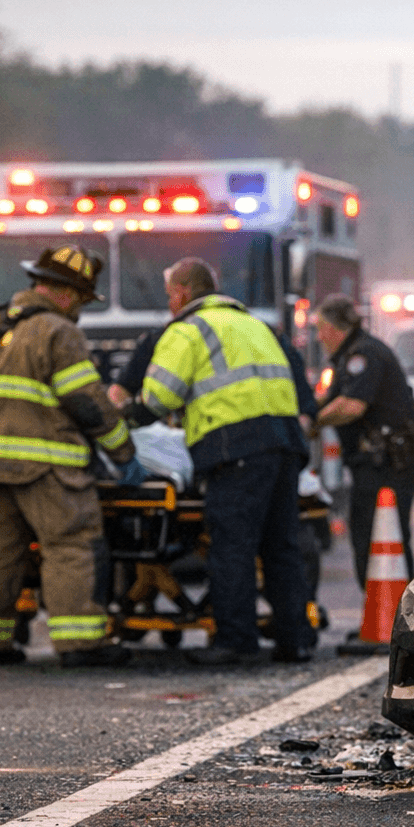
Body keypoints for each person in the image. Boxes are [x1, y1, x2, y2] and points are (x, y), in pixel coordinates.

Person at [0, 245, 144, 668]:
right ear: (69, 294)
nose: (81, 312)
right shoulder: (58, 332)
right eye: (84, 302)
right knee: (70, 544)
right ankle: (80, 643)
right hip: (46, 468)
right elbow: (87, 401)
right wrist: (123, 451)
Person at [137, 256, 315, 664]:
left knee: (232, 546)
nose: (169, 304)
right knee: (280, 547)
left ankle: (235, 641)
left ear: (182, 292)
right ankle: (296, 639)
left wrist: (130, 418)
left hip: (236, 447)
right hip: (285, 443)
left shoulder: (189, 330)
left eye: (169, 296)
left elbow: (157, 398)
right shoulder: (254, 324)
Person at [312, 294, 414, 589]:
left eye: (320, 328)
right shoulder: (355, 354)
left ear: (335, 328)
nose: (318, 337)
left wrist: (313, 422)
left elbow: (352, 405)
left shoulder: (363, 356)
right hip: (384, 459)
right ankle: (385, 617)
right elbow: (334, 400)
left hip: (388, 462)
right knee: (378, 532)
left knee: (377, 533)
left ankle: (391, 618)